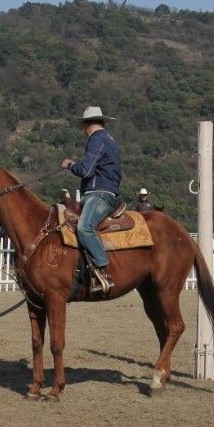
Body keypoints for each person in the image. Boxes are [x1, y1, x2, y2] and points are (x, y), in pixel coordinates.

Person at [60, 106, 122, 293]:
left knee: (84, 227)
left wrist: (70, 164)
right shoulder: (109, 140)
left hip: (100, 193)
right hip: (100, 191)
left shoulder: (97, 139)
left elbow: (86, 170)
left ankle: (103, 271)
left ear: (87, 124)